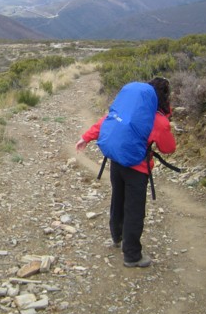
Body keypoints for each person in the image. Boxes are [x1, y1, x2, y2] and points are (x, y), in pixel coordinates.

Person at [75, 77, 176, 268]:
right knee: (134, 210)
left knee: (118, 200)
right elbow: (168, 148)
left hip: (116, 163)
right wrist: (167, 121)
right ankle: (132, 256)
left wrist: (85, 138)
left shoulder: (127, 109)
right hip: (137, 170)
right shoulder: (158, 120)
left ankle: (117, 237)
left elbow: (104, 122)